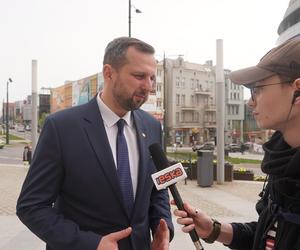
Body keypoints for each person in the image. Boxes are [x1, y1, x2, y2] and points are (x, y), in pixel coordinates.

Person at [17, 37, 174, 250]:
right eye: (139, 76)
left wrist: (162, 227)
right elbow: (32, 206)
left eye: (152, 78)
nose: (148, 86)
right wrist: (91, 244)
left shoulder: (152, 126)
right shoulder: (62, 127)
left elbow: (158, 189)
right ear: (109, 73)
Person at [173, 35, 300, 249]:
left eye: (257, 89)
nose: (250, 102)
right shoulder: (281, 165)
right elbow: (270, 235)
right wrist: (215, 229)